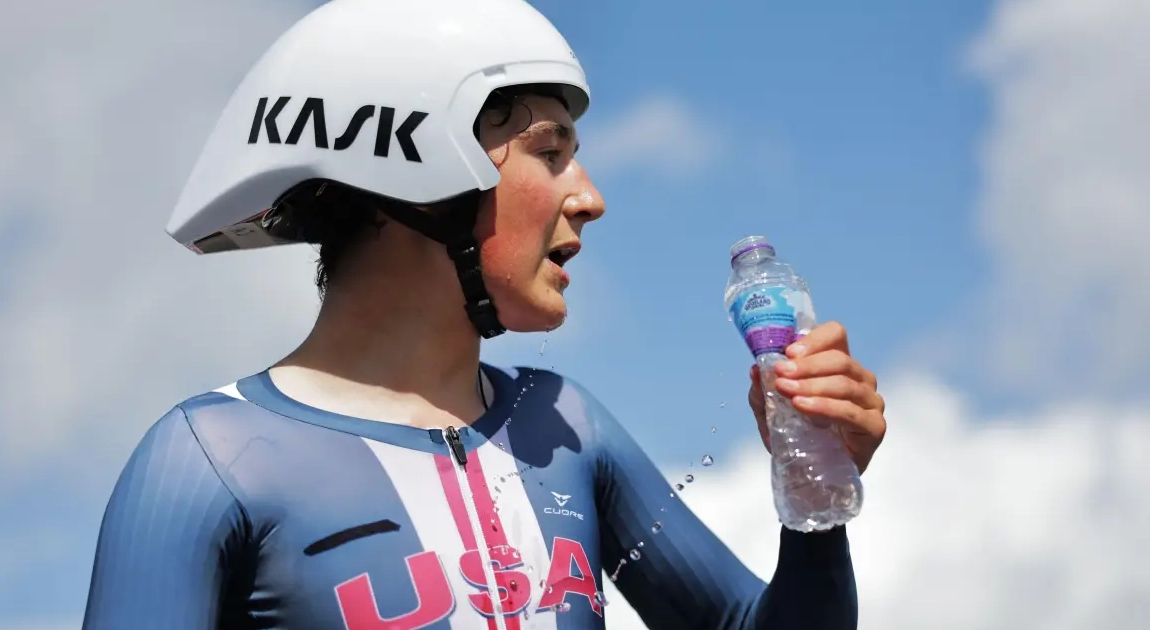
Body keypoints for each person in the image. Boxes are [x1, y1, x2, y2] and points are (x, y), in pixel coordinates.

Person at [82, 0, 887, 628]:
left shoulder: (568, 423)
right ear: (418, 169)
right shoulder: (205, 463)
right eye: (550, 152)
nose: (590, 197)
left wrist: (813, 492)